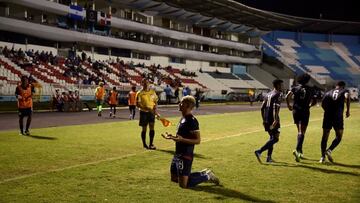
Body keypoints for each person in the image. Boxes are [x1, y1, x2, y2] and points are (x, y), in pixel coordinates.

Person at [162, 95, 220, 188]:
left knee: (183, 185)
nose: (179, 104)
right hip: (177, 153)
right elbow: (181, 136)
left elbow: (198, 140)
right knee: (174, 178)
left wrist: (181, 139)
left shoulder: (192, 121)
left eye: (182, 103)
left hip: (185, 155)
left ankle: (207, 176)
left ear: (188, 106)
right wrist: (172, 137)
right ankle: (203, 173)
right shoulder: (183, 118)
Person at [286, 74, 317, 162]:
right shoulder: (311, 89)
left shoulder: (295, 88)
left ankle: (300, 151)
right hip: (305, 111)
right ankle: (297, 150)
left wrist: (289, 105)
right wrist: (309, 106)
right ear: (307, 80)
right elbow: (314, 102)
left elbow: (287, 96)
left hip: (295, 111)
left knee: (300, 132)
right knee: (301, 132)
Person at [319, 81, 350, 163]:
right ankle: (329, 150)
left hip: (327, 117)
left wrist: (327, 111)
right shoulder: (344, 91)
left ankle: (322, 157)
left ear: (336, 86)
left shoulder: (328, 92)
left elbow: (322, 103)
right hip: (338, 117)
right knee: (339, 136)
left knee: (324, 136)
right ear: (343, 86)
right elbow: (347, 97)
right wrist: (347, 110)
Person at [255, 79, 284, 163]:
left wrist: (263, 120)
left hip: (266, 119)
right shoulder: (278, 94)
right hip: (273, 119)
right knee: (276, 139)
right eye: (282, 85)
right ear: (278, 85)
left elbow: (262, 108)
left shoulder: (267, 94)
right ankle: (259, 151)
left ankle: (269, 157)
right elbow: (276, 107)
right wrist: (275, 120)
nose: (283, 86)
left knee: (272, 138)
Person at [136, 78, 158, 149]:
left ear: (149, 83)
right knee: (144, 129)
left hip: (151, 113)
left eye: (147, 83)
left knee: (152, 127)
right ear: (142, 84)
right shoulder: (139, 93)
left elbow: (155, 101)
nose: (146, 84)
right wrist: (146, 108)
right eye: (144, 83)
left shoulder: (152, 92)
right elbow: (137, 104)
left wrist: (154, 110)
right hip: (143, 113)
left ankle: (151, 144)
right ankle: (144, 144)